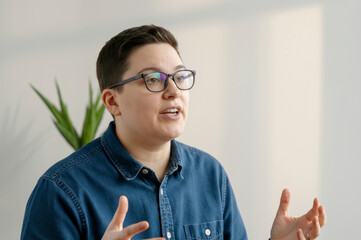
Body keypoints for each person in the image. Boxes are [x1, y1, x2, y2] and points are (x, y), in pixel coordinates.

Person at [21, 25, 325, 240]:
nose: (173, 91)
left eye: (180, 76)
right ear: (113, 101)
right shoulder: (61, 191)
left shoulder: (210, 175)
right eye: (153, 79)